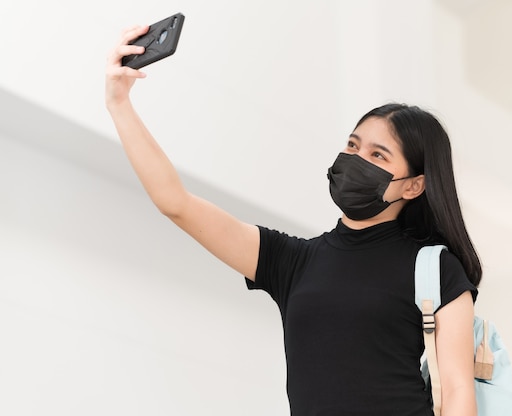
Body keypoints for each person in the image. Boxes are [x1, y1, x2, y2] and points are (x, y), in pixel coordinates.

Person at [105, 25, 480, 416]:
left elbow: (456, 390)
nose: (355, 161)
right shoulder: (293, 261)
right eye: (352, 146)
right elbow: (175, 202)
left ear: (413, 186)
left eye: (378, 156)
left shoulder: (436, 269)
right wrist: (118, 103)